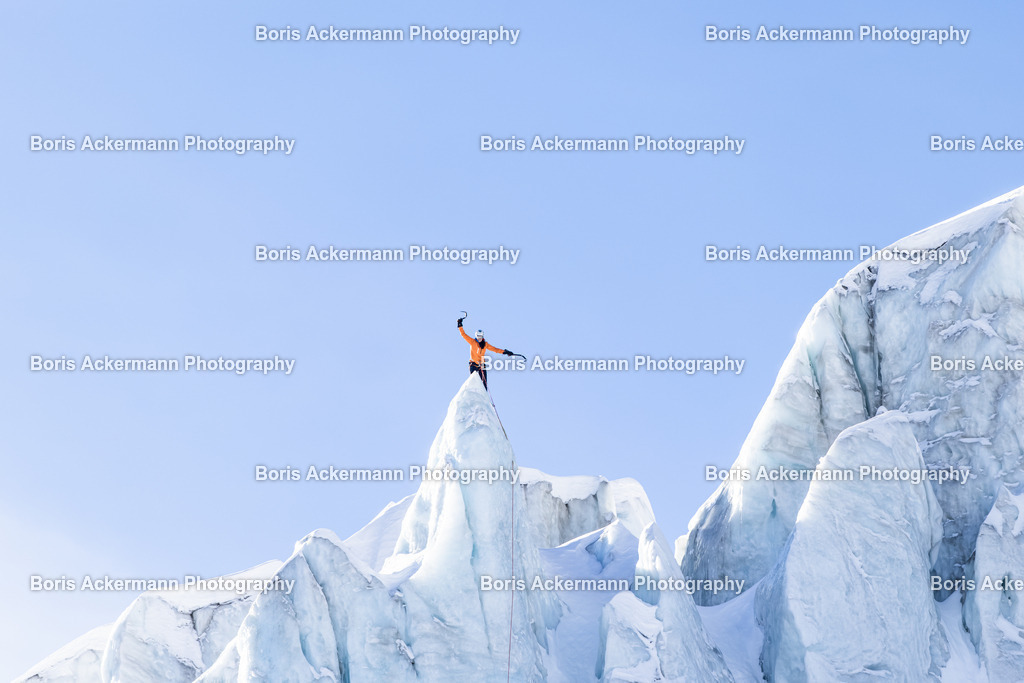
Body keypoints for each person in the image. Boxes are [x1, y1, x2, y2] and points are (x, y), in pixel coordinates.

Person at [458, 315, 514, 389]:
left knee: (484, 383)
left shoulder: (485, 344)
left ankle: (484, 395)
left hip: (482, 365)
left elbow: (495, 349)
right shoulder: (472, 342)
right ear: (476, 336)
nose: (479, 338)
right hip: (473, 364)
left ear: (483, 337)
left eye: (481, 337)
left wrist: (505, 352)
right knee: (473, 380)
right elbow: (463, 335)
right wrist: (460, 325)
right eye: (478, 337)